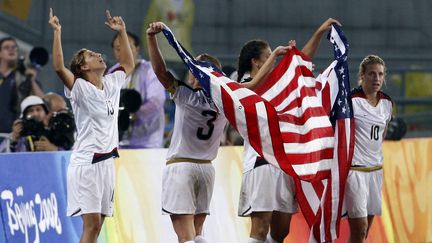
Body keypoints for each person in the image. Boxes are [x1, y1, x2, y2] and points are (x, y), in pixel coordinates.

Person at [236, 18, 342, 243]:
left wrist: (319, 33)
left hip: (284, 163)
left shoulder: (277, 83)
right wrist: (284, 61)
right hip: (261, 162)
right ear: (255, 62)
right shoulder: (243, 85)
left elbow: (300, 64)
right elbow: (289, 71)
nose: (272, 61)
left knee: (281, 231)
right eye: (267, 56)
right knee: (260, 227)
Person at [48, 8, 134, 243]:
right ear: (83, 68)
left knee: (99, 225)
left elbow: (127, 62)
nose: (98, 54)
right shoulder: (79, 88)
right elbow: (58, 67)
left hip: (107, 162)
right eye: (90, 55)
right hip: (87, 162)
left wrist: (122, 31)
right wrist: (57, 32)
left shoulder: (112, 82)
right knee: (92, 224)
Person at [147, 22, 226, 243]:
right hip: (207, 170)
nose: (192, 75)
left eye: (194, 71)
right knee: (198, 234)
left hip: (181, 167)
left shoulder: (185, 95)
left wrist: (152, 39)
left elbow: (160, 72)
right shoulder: (225, 103)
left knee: (185, 238)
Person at [344, 55, 393, 243]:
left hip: (375, 171)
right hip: (355, 171)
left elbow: (382, 135)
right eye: (372, 74)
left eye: (380, 74)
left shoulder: (387, 103)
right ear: (362, 76)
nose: (377, 78)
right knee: (360, 227)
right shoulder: (351, 100)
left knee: (362, 234)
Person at [109, 31, 166, 148]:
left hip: (147, 142)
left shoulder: (150, 70)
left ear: (137, 49)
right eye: (118, 48)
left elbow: (156, 101)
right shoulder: (112, 73)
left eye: (127, 47)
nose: (123, 51)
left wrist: (132, 116)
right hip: (117, 143)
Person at [0, 37, 44, 135]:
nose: (11, 49)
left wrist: (32, 80)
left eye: (14, 47)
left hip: (14, 135)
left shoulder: (24, 77)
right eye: (6, 47)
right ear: (0, 54)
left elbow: (42, 101)